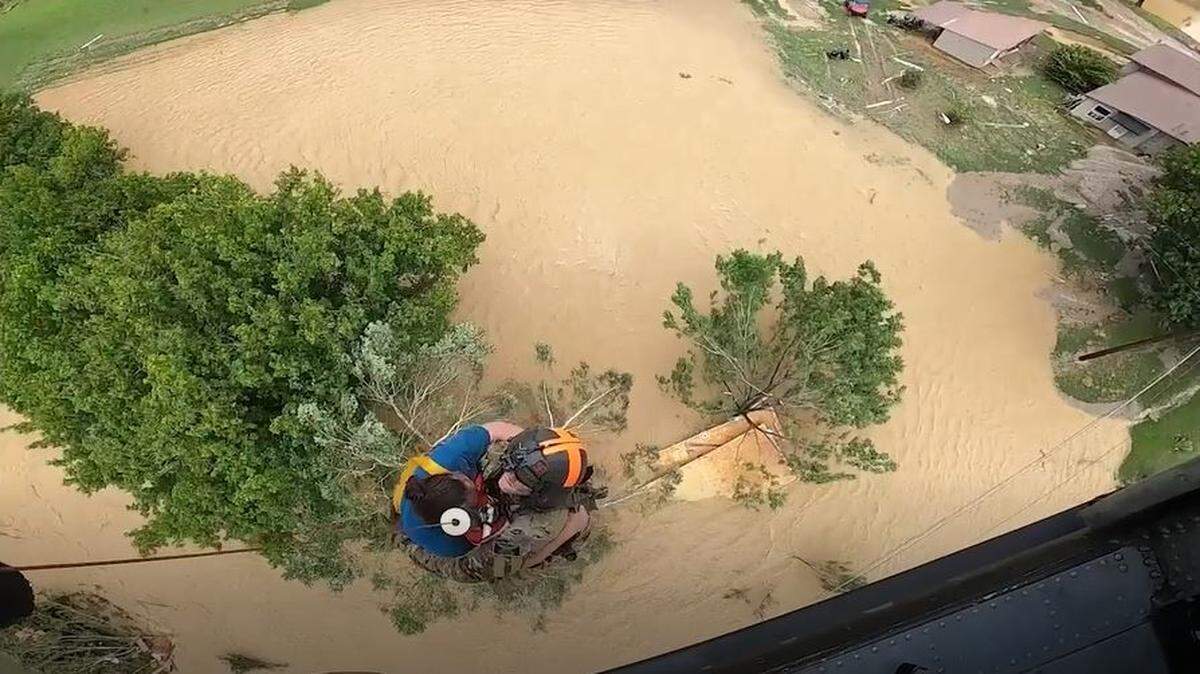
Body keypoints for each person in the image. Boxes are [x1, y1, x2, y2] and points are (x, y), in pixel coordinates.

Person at [394, 421, 592, 582]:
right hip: (448, 550)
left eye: (519, 478)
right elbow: (502, 567)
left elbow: (495, 428)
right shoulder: (516, 464)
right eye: (509, 464)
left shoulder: (529, 529)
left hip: (409, 516)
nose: (506, 477)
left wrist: (532, 447)